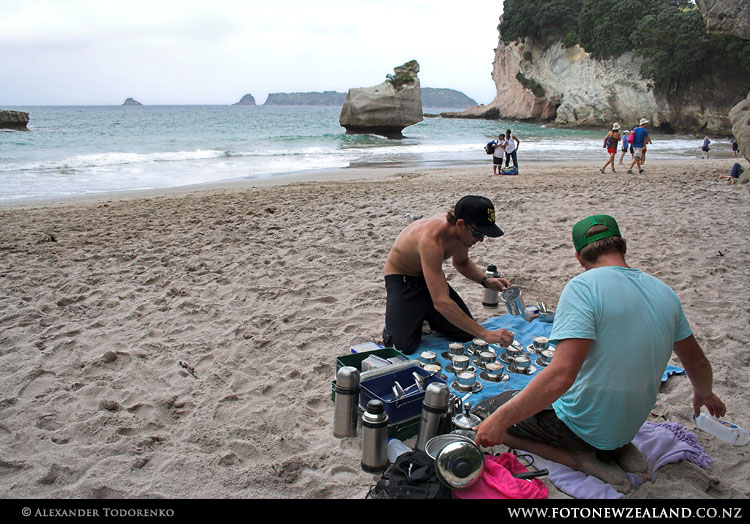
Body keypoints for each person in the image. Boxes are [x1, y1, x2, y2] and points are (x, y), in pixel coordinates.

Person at [474, 215, 726, 493]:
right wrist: (704, 393)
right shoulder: (664, 292)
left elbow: (560, 376)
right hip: (629, 425)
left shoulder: (582, 287)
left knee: (490, 411)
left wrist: (501, 419)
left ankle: (577, 459)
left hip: (579, 429)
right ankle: (619, 447)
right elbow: (697, 361)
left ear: (580, 257)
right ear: (622, 247)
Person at [382, 195, 514, 354]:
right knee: (402, 346)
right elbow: (441, 302)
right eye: (479, 234)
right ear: (461, 224)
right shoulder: (432, 240)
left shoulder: (461, 234)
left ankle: (426, 313)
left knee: (466, 333)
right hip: (402, 279)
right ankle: (410, 315)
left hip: (428, 278)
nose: (481, 240)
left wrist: (486, 281)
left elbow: (461, 263)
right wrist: (486, 334)